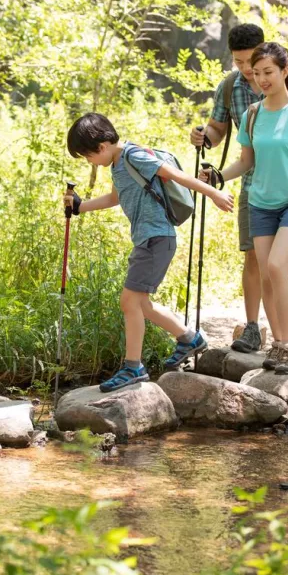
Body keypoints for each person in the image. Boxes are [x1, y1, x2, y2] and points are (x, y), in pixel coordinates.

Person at [65, 113, 234, 392]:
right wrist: (81, 207)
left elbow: (175, 175)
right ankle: (189, 339)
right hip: (147, 240)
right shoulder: (118, 165)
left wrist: (212, 193)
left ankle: (133, 367)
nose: (89, 161)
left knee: (129, 301)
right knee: (140, 304)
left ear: (103, 146)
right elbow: (115, 198)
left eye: (87, 156)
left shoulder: (133, 156)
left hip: (157, 238)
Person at [204, 42, 288, 374]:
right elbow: (245, 162)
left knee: (278, 266)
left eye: (268, 72)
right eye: (257, 73)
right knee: (265, 274)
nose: (262, 79)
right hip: (260, 203)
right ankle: (278, 344)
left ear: (285, 70)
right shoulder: (252, 115)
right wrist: (218, 176)